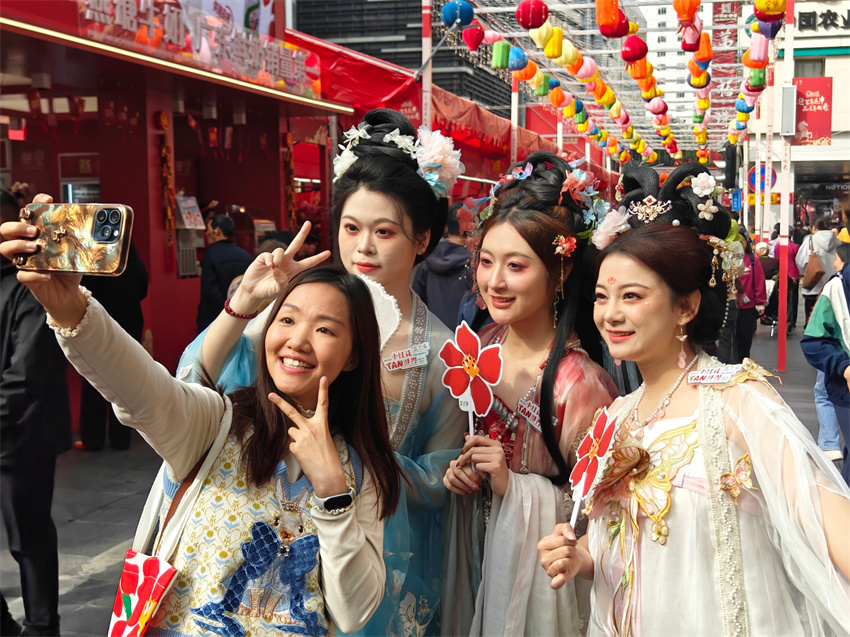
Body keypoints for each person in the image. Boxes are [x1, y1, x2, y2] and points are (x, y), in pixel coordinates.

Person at [0, 199, 404, 635]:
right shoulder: (217, 423)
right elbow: (140, 386)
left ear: (352, 357)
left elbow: (353, 611)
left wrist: (332, 494)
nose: (298, 341)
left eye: (325, 329)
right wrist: (70, 308)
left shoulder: (365, 471)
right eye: (286, 319)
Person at [182, 108, 467, 637]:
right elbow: (191, 382)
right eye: (351, 227)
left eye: (385, 231)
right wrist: (245, 308)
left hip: (377, 557)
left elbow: (439, 477)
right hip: (259, 536)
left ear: (422, 240)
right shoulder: (288, 318)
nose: (363, 247)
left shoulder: (442, 351)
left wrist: (355, 466)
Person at [537, 162, 850, 636]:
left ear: (686, 306)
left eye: (633, 296)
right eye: (602, 296)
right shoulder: (617, 414)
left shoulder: (735, 398)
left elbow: (820, 509)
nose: (611, 314)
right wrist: (582, 556)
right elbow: (629, 546)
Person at [441, 153, 618, 637]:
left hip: (537, 581)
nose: (494, 281)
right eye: (486, 262)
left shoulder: (579, 384)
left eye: (515, 265)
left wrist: (511, 487)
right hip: (475, 554)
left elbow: (599, 516)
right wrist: (467, 471)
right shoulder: (480, 347)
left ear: (559, 272)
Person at [0, 190, 71, 636]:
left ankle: (43, 627)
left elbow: (25, 375)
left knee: (28, 538)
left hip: (22, 437)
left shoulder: (32, 283)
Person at [77, 243, 148, 450]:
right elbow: (143, 286)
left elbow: (83, 292)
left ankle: (92, 439)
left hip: (98, 325)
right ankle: (121, 439)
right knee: (124, 382)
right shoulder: (131, 258)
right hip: (129, 323)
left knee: (93, 380)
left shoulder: (92, 259)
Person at [802, 243, 850, 483]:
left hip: (812, 296)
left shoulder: (836, 284)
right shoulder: (838, 285)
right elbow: (814, 341)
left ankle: (829, 445)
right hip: (844, 381)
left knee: (822, 394)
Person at [412, 201, 473, 328]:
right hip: (466, 337)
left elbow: (416, 301)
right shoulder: (476, 263)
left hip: (433, 334)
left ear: (446, 226)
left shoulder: (427, 259)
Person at [196, 213, 253, 332]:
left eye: (209, 229)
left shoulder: (211, 255)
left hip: (215, 319)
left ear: (217, 231)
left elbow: (210, 293)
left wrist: (226, 311)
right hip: (243, 315)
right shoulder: (245, 255)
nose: (206, 233)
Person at [796, 215, 841, 323]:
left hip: (813, 286)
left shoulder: (810, 240)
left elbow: (800, 260)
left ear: (814, 228)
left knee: (811, 318)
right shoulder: (837, 242)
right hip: (833, 286)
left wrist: (804, 273)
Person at [735, 232, 766, 361]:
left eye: (742, 240)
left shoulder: (752, 260)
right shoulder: (725, 257)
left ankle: (743, 363)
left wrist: (760, 302)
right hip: (729, 307)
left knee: (745, 338)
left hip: (747, 308)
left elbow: (759, 281)